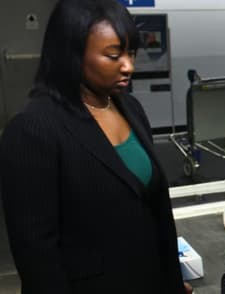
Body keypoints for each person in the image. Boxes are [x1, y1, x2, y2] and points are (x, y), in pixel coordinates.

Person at [0, 0, 188, 293]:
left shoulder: (131, 108)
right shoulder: (33, 130)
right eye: (113, 55)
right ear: (71, 56)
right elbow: (37, 257)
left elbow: (156, 212)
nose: (129, 66)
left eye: (131, 53)